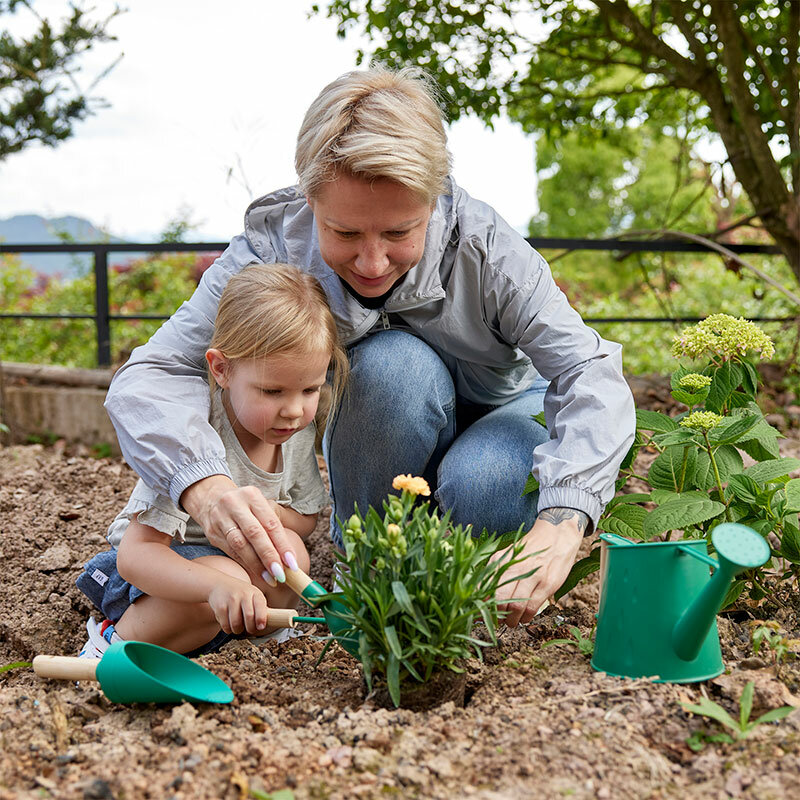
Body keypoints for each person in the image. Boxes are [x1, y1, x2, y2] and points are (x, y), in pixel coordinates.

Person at [105, 66, 636, 629]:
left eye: (400, 232)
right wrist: (203, 486)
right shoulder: (272, 248)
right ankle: (374, 572)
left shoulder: (488, 249)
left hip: (503, 407)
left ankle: (456, 572)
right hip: (394, 407)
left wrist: (562, 520)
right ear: (310, 199)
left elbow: (589, 370)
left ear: (433, 201)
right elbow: (156, 370)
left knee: (483, 490)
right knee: (387, 369)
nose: (373, 263)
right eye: (346, 233)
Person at [76, 264, 348, 657]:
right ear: (221, 369)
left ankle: (259, 640)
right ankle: (115, 644)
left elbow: (305, 518)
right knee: (228, 574)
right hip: (155, 576)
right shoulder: (190, 436)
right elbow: (137, 556)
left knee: (289, 550)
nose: (293, 410)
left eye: (310, 389)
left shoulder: (293, 432)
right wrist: (216, 586)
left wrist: (269, 514)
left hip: (229, 578)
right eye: (272, 391)